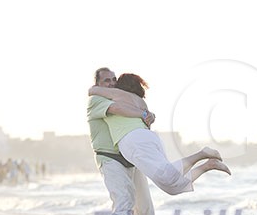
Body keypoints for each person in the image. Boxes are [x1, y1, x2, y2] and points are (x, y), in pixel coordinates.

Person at [90, 73, 231, 196]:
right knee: (172, 187)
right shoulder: (141, 102)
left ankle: (202, 154)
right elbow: (148, 123)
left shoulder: (118, 95)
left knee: (166, 176)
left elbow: (94, 90)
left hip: (132, 140)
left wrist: (94, 88)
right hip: (150, 138)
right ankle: (208, 165)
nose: (113, 84)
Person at [87, 67, 156, 215]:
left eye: (113, 79)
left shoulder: (122, 98)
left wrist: (150, 115)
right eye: (106, 81)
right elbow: (117, 109)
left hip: (132, 157)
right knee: (124, 197)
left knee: (144, 205)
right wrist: (142, 113)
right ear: (98, 85)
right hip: (109, 157)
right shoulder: (97, 100)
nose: (112, 83)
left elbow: (139, 115)